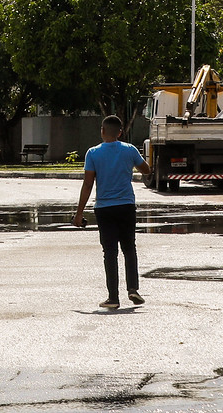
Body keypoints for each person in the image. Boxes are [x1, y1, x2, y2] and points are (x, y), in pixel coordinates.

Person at [74, 114, 146, 310]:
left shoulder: (93, 153)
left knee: (110, 253)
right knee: (129, 248)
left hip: (104, 208)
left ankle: (113, 298)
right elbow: (146, 170)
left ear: (102, 131)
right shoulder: (129, 150)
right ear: (120, 133)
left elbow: (88, 184)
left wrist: (79, 213)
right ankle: (133, 289)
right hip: (126, 206)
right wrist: (136, 162)